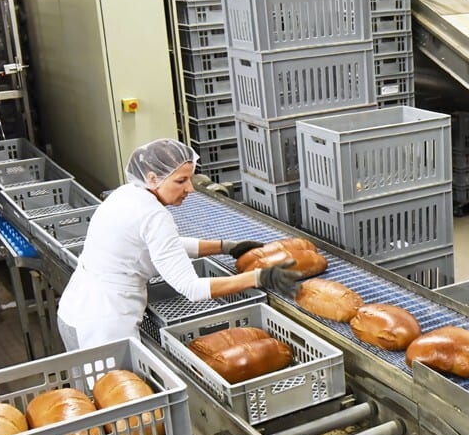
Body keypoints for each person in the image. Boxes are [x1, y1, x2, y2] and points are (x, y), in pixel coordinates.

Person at [56, 138, 300, 351]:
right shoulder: (154, 215)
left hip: (76, 310)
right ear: (153, 178)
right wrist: (258, 278)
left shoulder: (126, 194)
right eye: (181, 180)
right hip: (106, 328)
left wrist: (225, 246)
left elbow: (165, 246)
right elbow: (191, 288)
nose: (190, 188)